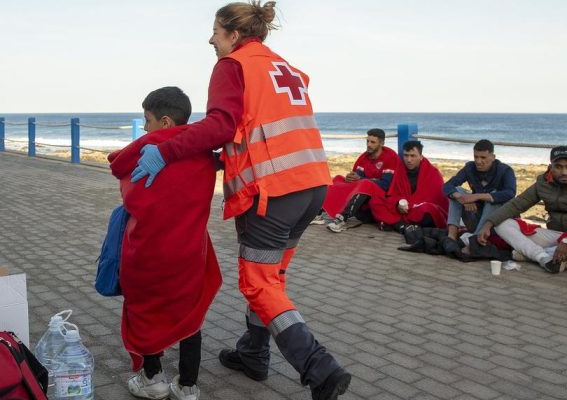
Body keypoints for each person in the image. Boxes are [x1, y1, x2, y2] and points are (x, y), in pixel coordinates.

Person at [129, 2, 351, 399]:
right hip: (312, 184)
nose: (210, 39)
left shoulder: (233, 65)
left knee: (258, 284)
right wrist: (218, 159)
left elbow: (221, 124)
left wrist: (169, 150)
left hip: (273, 192)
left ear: (233, 34)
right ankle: (253, 353)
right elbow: (255, 129)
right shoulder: (282, 67)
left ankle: (319, 367)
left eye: (215, 30)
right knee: (273, 277)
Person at [108, 87, 222, 400]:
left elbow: (119, 168)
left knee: (145, 310)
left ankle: (153, 379)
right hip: (188, 250)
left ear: (166, 122)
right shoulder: (203, 152)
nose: (144, 128)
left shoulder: (147, 146)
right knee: (190, 312)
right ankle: (188, 386)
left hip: (147, 250)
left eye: (147, 120)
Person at [478, 146, 567, 273]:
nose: (564, 172)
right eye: (558, 167)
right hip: (553, 236)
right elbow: (517, 204)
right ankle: (542, 257)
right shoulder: (543, 182)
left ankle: (528, 254)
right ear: (551, 166)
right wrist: (489, 223)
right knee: (502, 224)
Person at [323, 128, 397, 233]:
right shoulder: (364, 157)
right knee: (338, 179)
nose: (369, 145)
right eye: (367, 141)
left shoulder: (389, 158)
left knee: (365, 184)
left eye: (373, 142)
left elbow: (385, 184)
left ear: (381, 143)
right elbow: (358, 177)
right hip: (364, 193)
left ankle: (342, 219)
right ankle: (319, 213)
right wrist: (350, 177)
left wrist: (361, 179)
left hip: (381, 198)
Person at [368, 140, 449, 233]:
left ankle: (395, 223)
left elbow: (438, 199)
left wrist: (413, 205)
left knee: (429, 210)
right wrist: (398, 203)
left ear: (421, 157)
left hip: (418, 208)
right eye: (406, 155)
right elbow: (392, 193)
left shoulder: (433, 172)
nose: (409, 160)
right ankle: (402, 225)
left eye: (413, 156)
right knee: (375, 200)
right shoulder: (399, 169)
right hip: (401, 208)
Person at [442, 139, 516, 239]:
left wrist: (477, 196)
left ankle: (476, 238)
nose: (478, 161)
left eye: (483, 157)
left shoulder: (505, 170)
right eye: (476, 157)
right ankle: (451, 236)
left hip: (496, 223)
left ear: (493, 157)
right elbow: (447, 185)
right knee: (457, 190)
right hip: (475, 216)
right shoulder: (470, 168)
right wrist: (462, 198)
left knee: (493, 197)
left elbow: (510, 193)